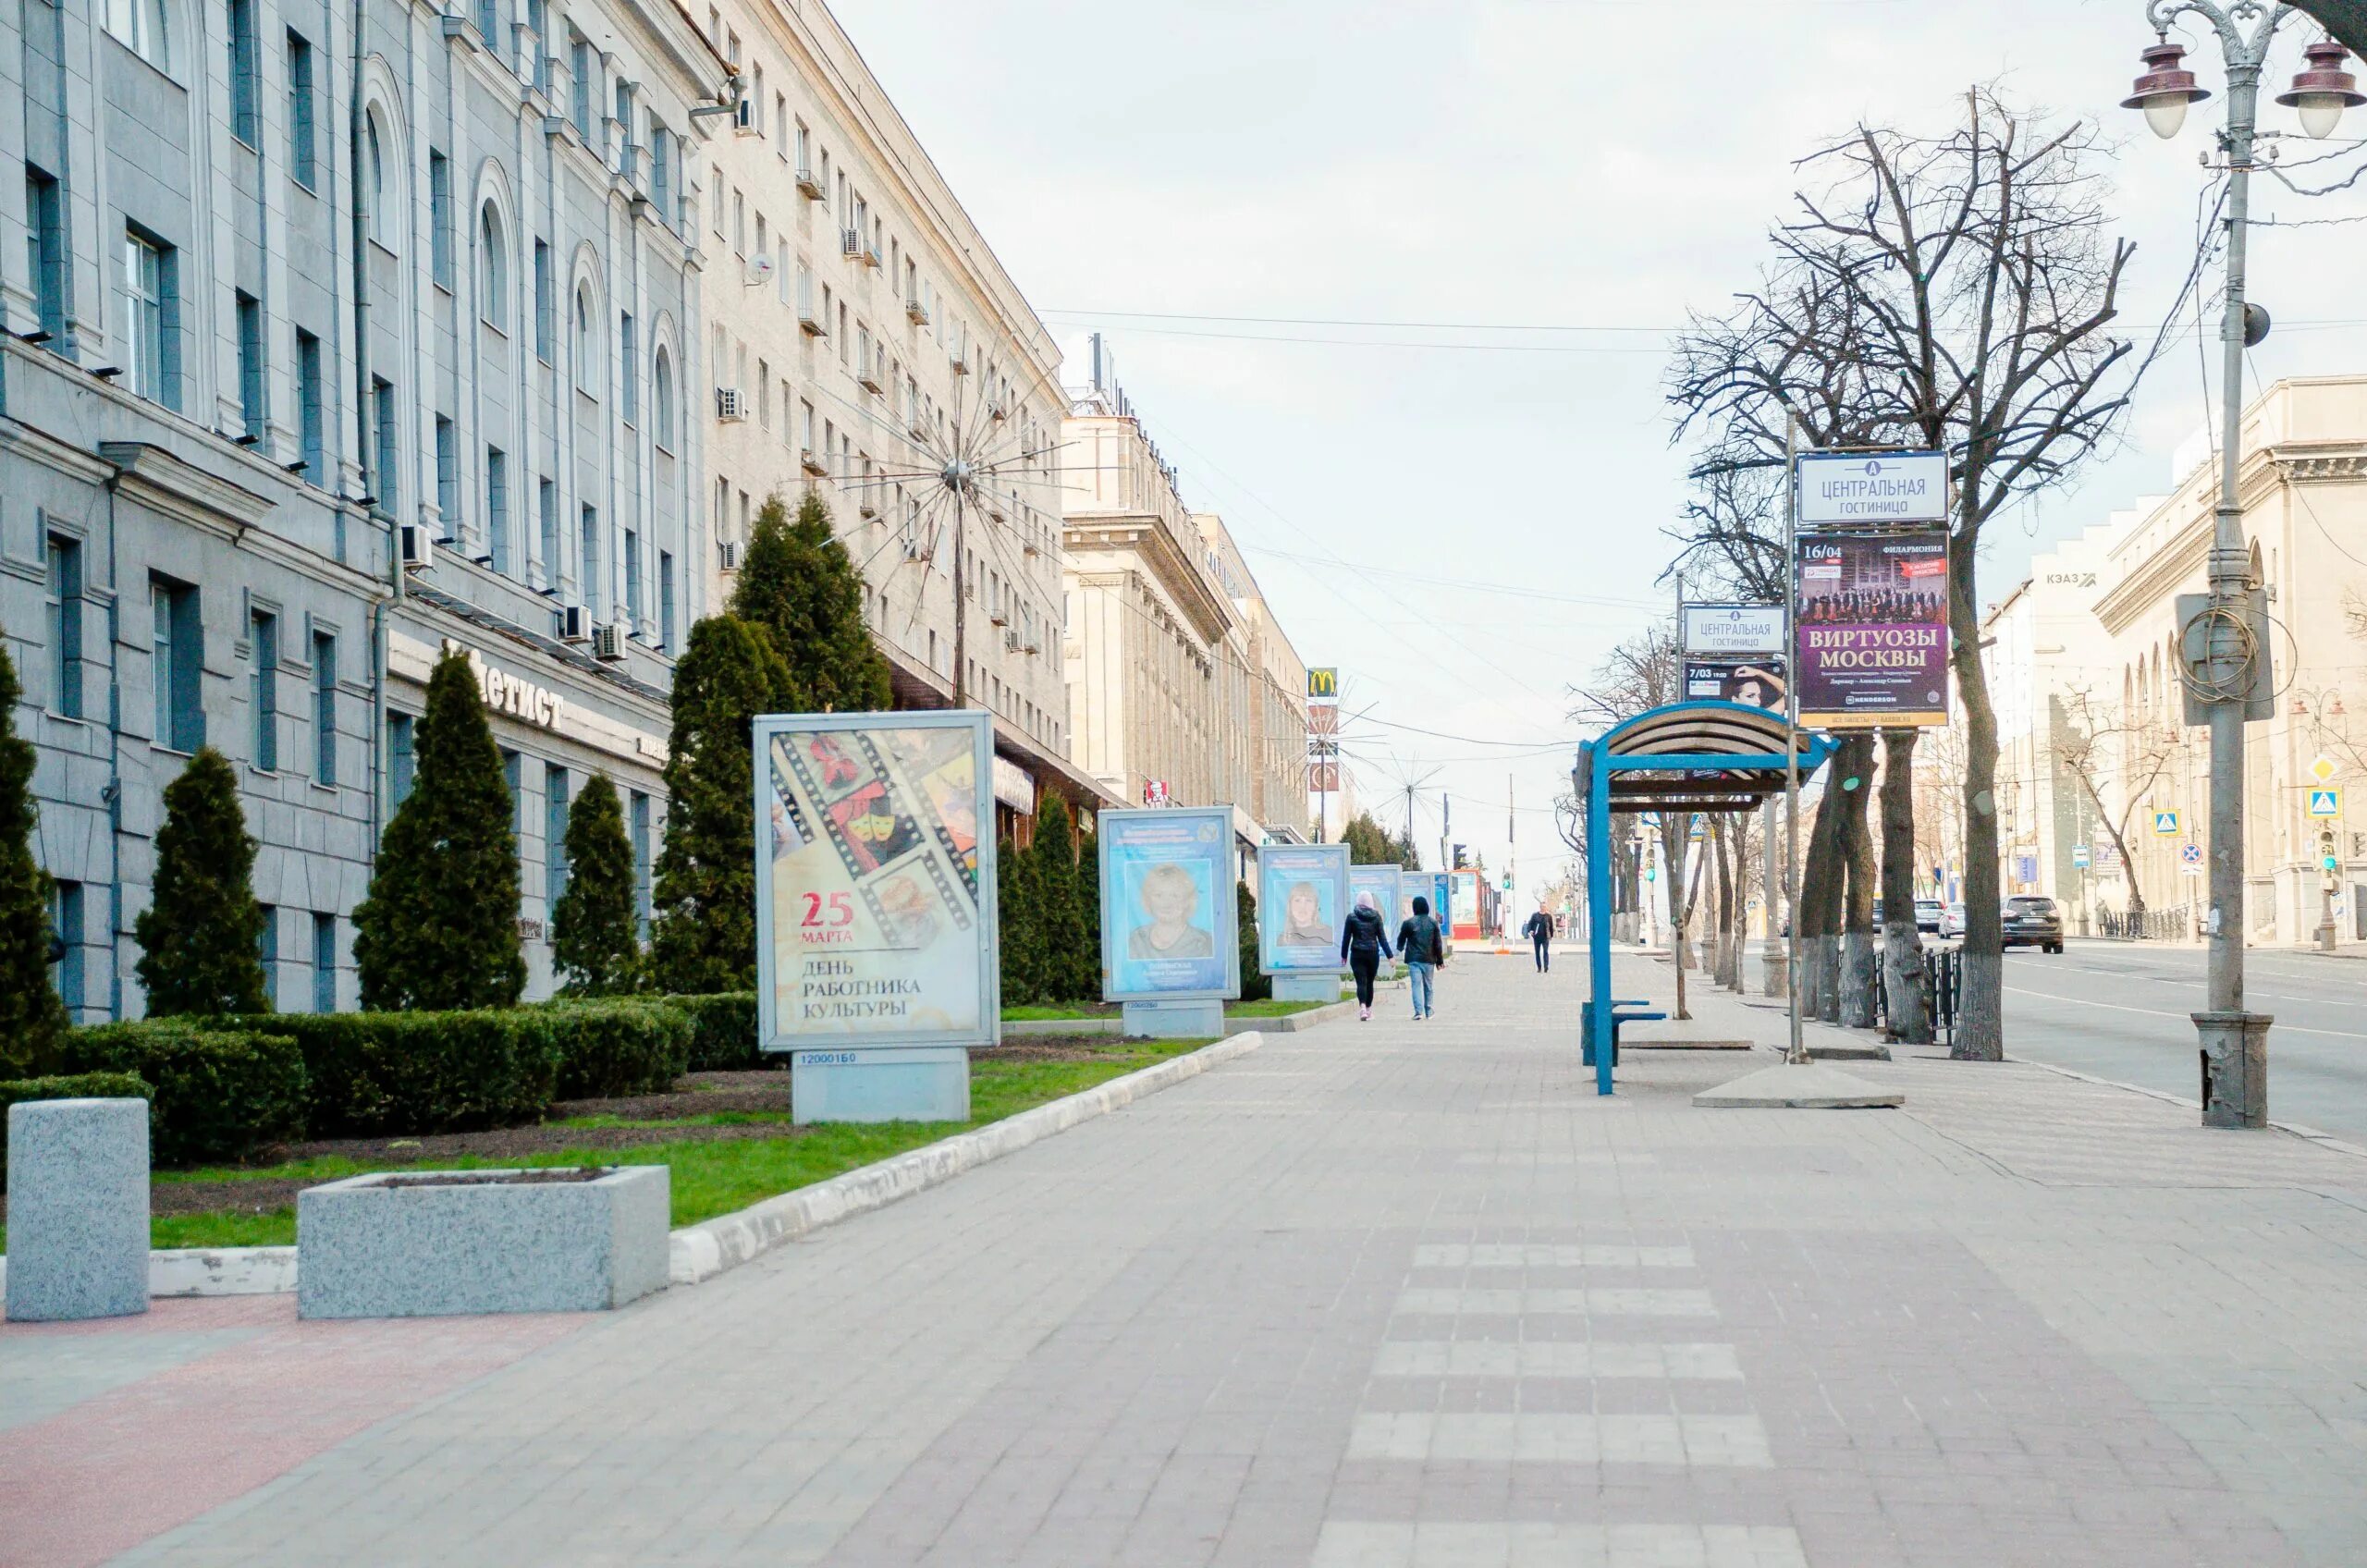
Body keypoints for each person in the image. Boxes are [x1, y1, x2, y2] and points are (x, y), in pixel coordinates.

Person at [1128, 863, 1215, 960]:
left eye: (1175, 896)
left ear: (1187, 900)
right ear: (1148, 899)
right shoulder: (1136, 940)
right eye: (1158, 895)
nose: (1166, 903)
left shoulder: (1203, 942)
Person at [1339, 889, 1394, 1022]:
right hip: (1372, 954)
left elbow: (1346, 938)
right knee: (1369, 982)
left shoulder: (1351, 917)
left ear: (1358, 902)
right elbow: (1382, 938)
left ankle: (1362, 1007)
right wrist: (1390, 956)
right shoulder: (1376, 917)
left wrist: (1344, 955)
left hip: (1357, 954)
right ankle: (1369, 1010)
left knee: (1360, 982)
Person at [1396, 895, 1447, 1021]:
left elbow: (1401, 939)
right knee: (1428, 985)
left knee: (1416, 985)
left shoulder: (1408, 923)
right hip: (1429, 960)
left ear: (1414, 908)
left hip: (1414, 960)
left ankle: (1418, 1012)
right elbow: (1438, 943)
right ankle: (1429, 1011)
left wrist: (1399, 949)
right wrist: (1440, 961)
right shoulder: (1433, 923)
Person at [1281, 880, 1332, 946]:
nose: (1302, 906)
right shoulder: (1282, 939)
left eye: (1308, 900)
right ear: (1290, 906)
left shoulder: (1329, 934)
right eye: (1297, 900)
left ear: (1315, 906)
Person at [1523, 907, 1554, 973]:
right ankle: (1539, 967)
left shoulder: (1548, 916)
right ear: (1540, 907)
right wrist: (1530, 930)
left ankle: (1546, 967)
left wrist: (1551, 935)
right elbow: (1530, 924)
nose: (1544, 908)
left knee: (1545, 951)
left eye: (1545, 907)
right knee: (1537, 953)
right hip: (1536, 937)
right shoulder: (1535, 915)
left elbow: (1551, 926)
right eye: (1542, 907)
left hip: (1545, 937)